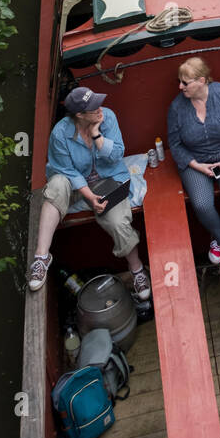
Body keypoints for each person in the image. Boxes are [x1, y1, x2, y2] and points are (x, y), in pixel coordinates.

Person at [28, 87, 151, 297]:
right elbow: (66, 170)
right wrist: (89, 196)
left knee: (118, 223)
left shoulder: (108, 117)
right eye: (94, 107)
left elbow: (117, 155)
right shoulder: (60, 133)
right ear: (79, 115)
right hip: (76, 183)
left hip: (109, 178)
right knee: (56, 185)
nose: (100, 108)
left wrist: (97, 135)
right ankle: (41, 258)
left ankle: (137, 269)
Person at [167, 57, 220, 277]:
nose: (180, 87)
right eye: (180, 82)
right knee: (202, 204)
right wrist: (197, 166)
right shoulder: (176, 108)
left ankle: (216, 236)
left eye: (185, 82)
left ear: (201, 80)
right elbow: (174, 144)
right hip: (195, 160)